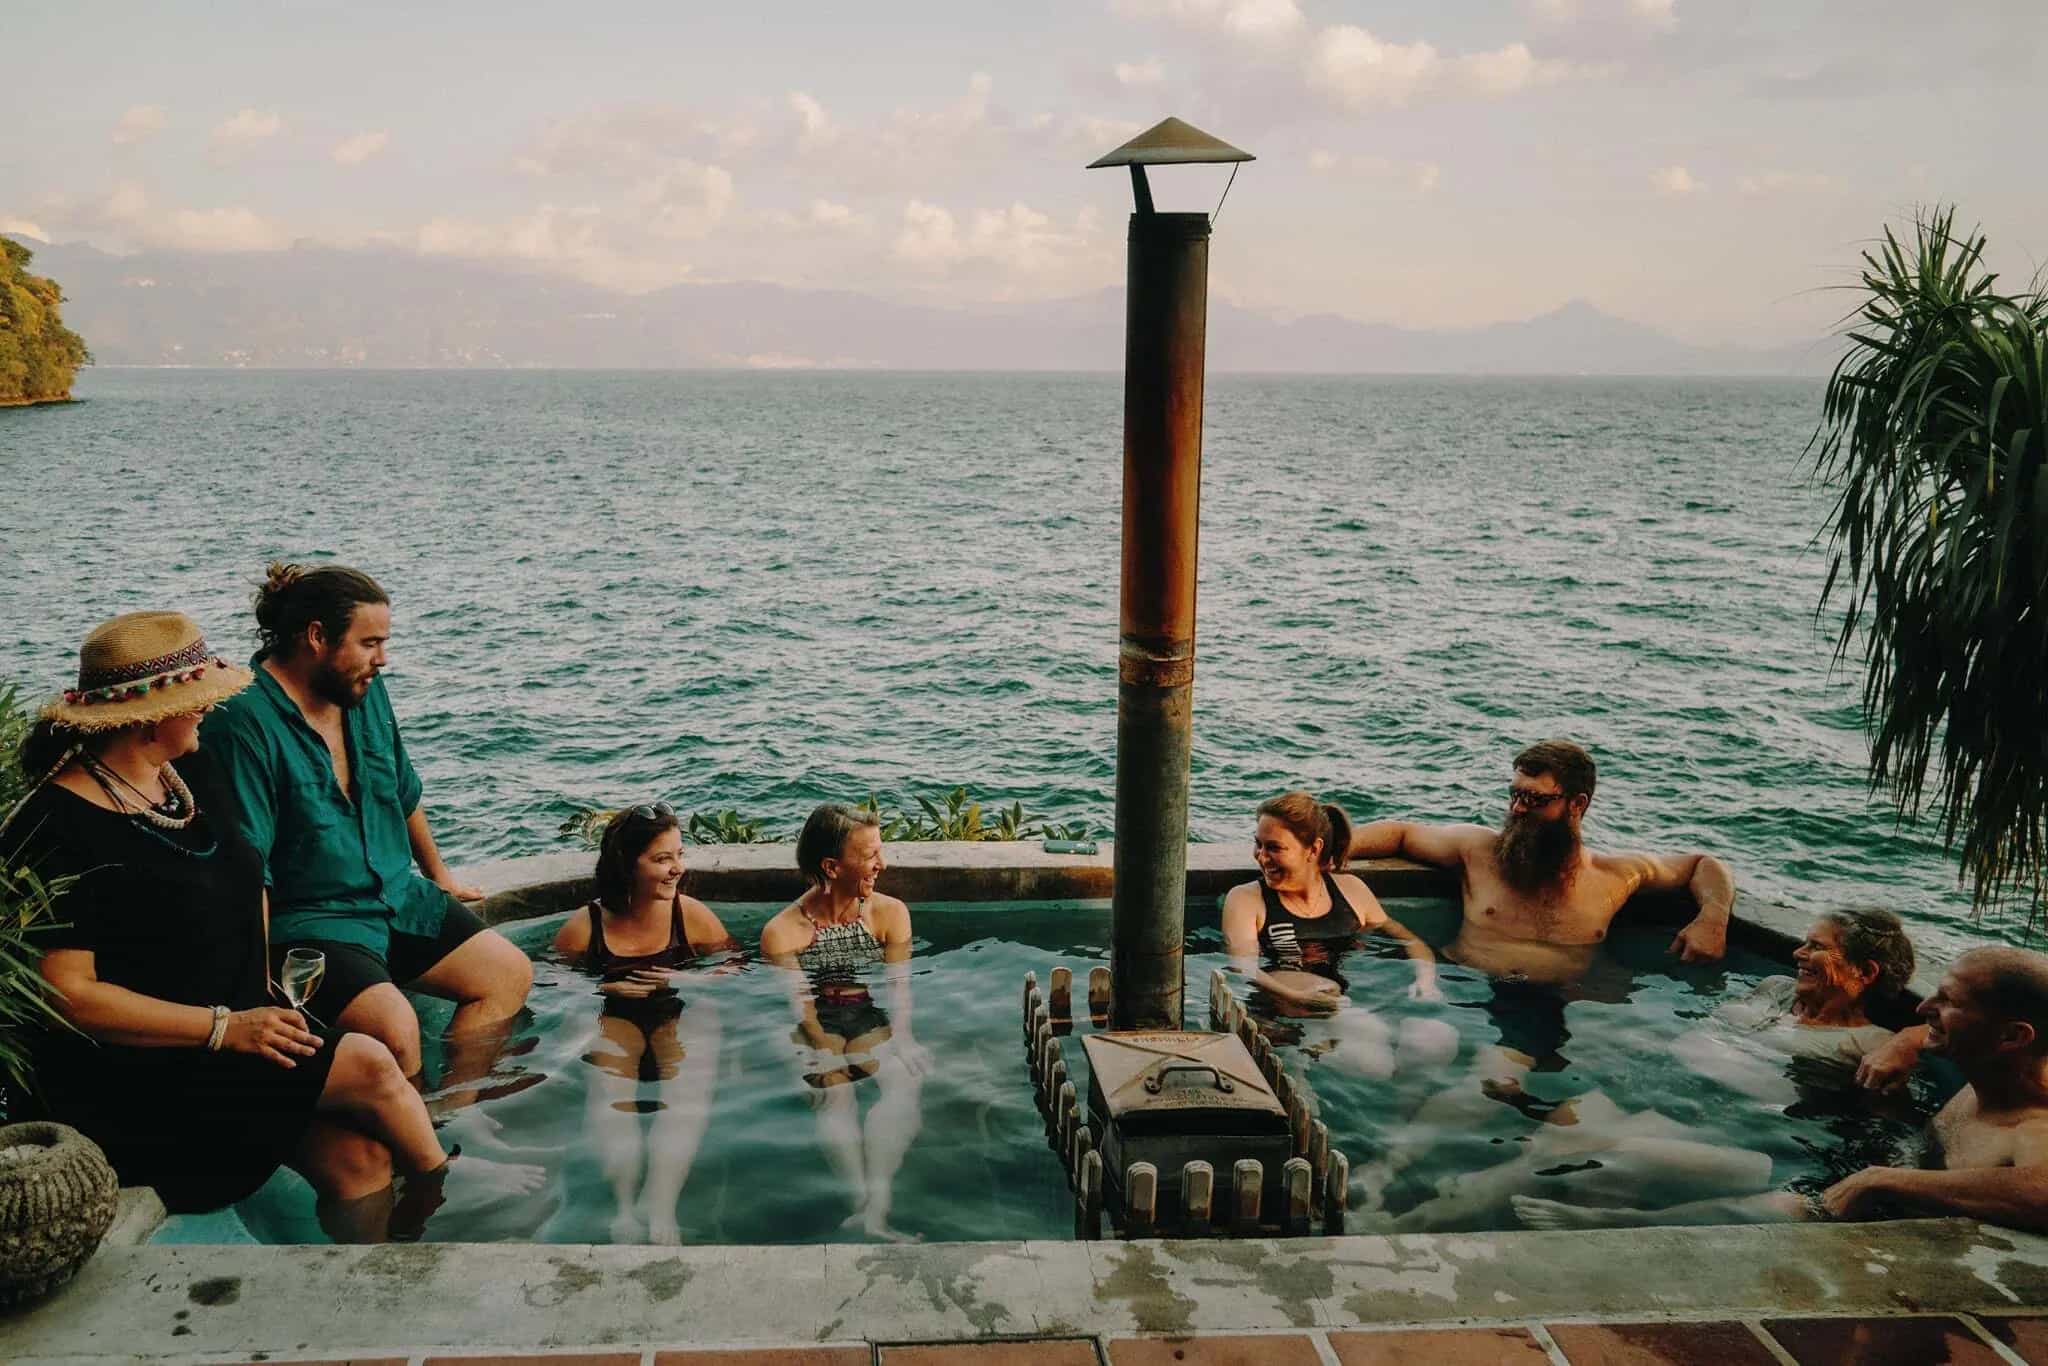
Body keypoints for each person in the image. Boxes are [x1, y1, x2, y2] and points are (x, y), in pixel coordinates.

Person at [2, 611, 454, 1238]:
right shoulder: (52, 828)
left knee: (361, 1162)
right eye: (199, 701)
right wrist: (223, 1028)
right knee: (375, 1067)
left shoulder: (189, 772)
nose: (210, 711)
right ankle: (461, 1210)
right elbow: (67, 993)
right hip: (155, 1067)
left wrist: (260, 982)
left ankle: (372, 1294)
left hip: (247, 1027)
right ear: (151, 715)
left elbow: (249, 873)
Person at [1378, 909, 1918, 1233]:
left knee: (1563, 1164)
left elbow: (1875, 1132)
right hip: (1656, 1088)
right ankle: (1402, 1188)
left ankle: (1406, 1223)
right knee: (1535, 1147)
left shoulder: (1869, 1046)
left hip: (1724, 1121)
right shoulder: (1775, 989)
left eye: (1816, 947)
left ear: (1865, 972)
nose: (1797, 952)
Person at [198, 562, 532, 1087]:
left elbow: (402, 788)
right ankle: (416, 1148)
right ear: (316, 637)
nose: (383, 659)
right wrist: (256, 987)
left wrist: (439, 876)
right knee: (396, 1029)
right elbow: (247, 867)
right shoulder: (241, 722)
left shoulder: (360, 688)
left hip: (396, 897)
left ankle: (454, 1114)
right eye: (370, 642)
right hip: (312, 923)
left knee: (507, 973)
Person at [1349, 740, 1737, 984]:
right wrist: (1332, 852)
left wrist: (1713, 918)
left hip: (1562, 1005)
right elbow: (1400, 832)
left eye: (1535, 799)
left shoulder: (1614, 876)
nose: (1518, 809)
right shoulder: (1478, 851)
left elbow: (1703, 863)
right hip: (1465, 990)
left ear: (1576, 804)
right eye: (1514, 795)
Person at [554, 802, 737, 1244]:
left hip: (678, 1009)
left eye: (679, 854)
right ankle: (622, 1210)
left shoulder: (688, 914)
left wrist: (684, 977)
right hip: (615, 1014)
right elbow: (554, 984)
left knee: (685, 1096)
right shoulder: (587, 926)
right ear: (626, 864)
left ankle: (661, 1210)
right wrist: (604, 989)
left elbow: (735, 965)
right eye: (662, 859)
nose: (677, 869)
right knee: (611, 1097)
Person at [759, 803, 929, 1241]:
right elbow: (800, 1006)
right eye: (869, 854)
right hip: (815, 1022)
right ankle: (860, 1204)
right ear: (832, 866)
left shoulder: (891, 914)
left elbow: (899, 987)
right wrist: (822, 1054)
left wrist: (904, 1038)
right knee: (835, 1094)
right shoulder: (782, 932)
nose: (882, 864)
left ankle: (879, 1202)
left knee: (902, 1079)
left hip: (866, 1012)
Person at [1221, 791, 1456, 1078]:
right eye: (1257, 844)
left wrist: (1425, 980)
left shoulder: (1351, 890)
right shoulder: (1246, 899)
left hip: (1344, 1003)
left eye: (1274, 848)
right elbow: (1243, 966)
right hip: (1279, 1014)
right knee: (1374, 1066)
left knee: (1435, 1043)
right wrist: (1297, 997)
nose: (1261, 857)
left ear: (1313, 849)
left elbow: (1408, 940)